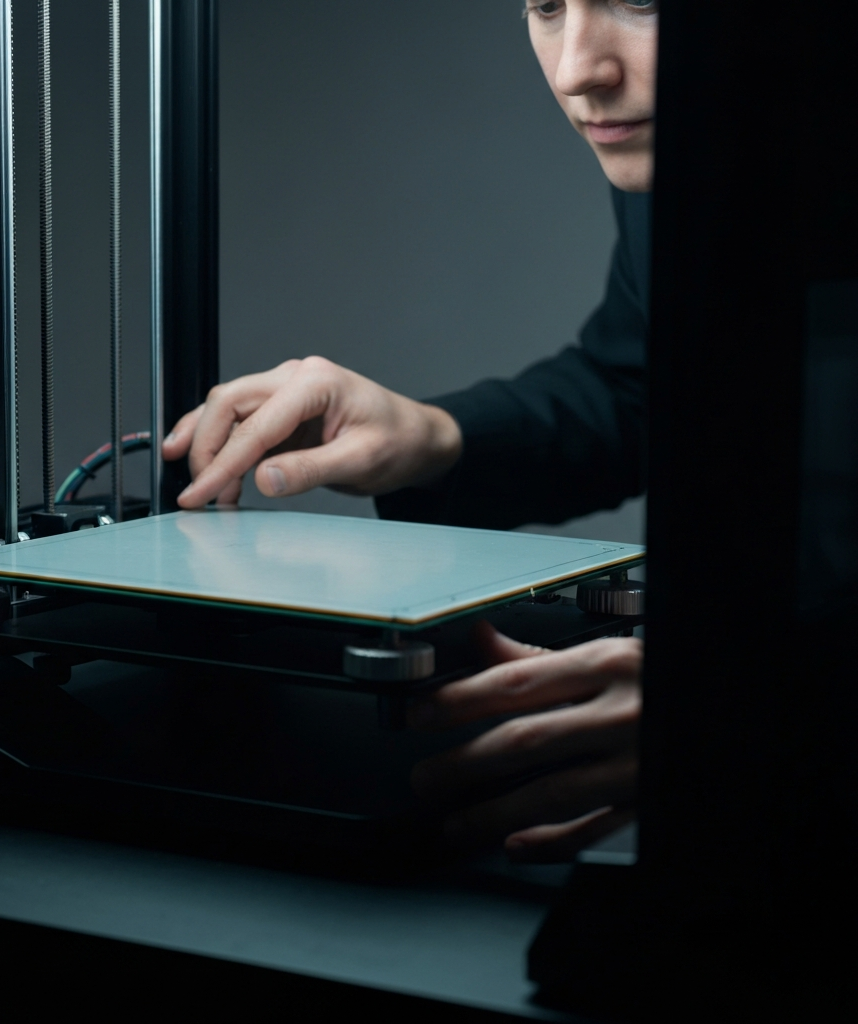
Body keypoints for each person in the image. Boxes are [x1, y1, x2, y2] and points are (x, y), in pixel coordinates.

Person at [163, 0, 655, 860]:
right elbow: (642, 386)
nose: (578, 69)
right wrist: (432, 436)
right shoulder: (686, 164)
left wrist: (774, 700)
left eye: (642, 0)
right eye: (546, 5)